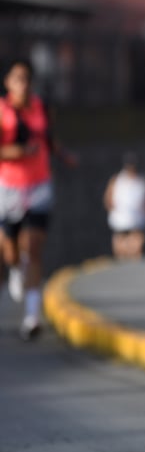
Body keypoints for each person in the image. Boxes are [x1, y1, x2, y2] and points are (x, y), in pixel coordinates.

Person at [0, 59, 75, 341]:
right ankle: (14, 267)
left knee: (34, 247)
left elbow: (48, 139)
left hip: (39, 185)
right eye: (17, 78)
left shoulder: (41, 107)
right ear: (7, 82)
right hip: (9, 187)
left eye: (27, 78)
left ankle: (32, 317)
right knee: (9, 251)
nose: (23, 84)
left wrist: (64, 155)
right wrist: (19, 151)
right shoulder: (2, 111)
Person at [103, 151, 145, 261]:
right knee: (120, 238)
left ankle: (134, 259)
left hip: (137, 216)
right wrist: (111, 207)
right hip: (121, 215)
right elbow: (108, 196)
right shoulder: (116, 180)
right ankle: (122, 259)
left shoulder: (142, 180)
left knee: (136, 238)